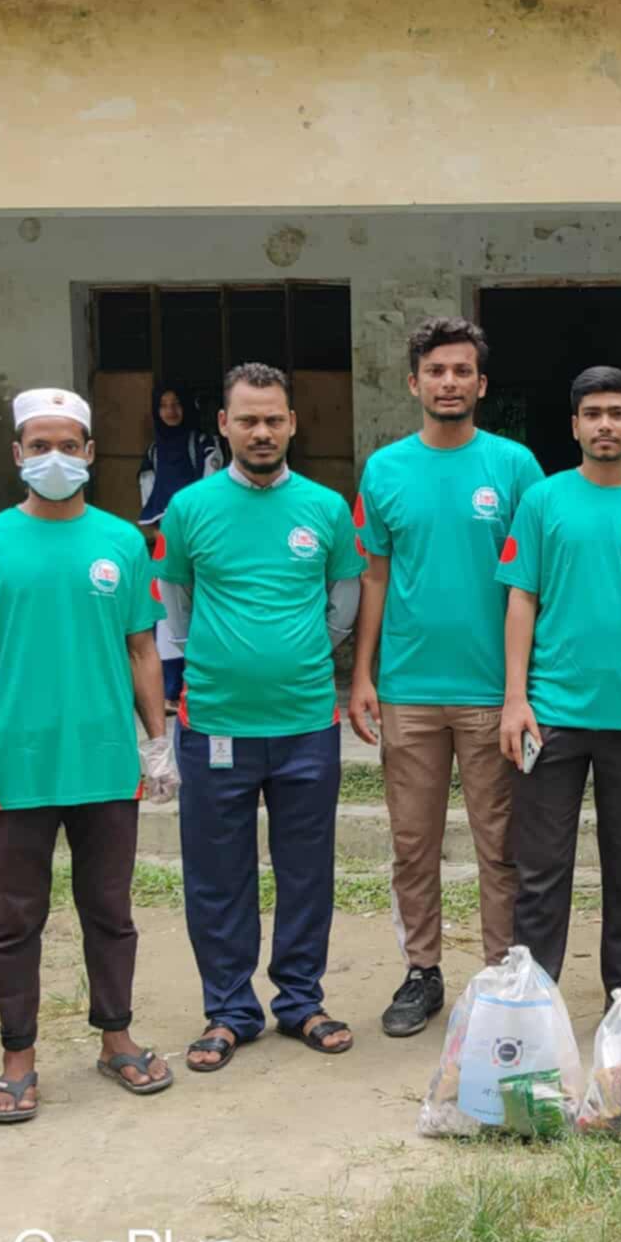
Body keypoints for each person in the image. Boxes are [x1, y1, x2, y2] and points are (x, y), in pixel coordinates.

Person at [0, 389, 178, 1123]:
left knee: (110, 911)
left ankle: (117, 1039)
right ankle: (18, 1061)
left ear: (92, 453)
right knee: (15, 917)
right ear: (16, 455)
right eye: (39, 445)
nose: (55, 458)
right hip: (16, 766)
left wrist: (156, 741)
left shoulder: (122, 543)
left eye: (69, 445)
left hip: (104, 763)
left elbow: (142, 647)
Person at [157, 363, 365, 1072]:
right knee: (218, 873)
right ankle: (229, 1010)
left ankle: (300, 1000)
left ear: (293, 424)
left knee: (306, 869)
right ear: (223, 424)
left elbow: (342, 604)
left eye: (274, 418)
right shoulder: (188, 509)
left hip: (307, 719)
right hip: (215, 721)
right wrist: (220, 664)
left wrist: (294, 651)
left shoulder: (326, 509)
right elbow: (175, 611)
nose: (262, 431)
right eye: (247, 419)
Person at [349, 317, 542, 1038]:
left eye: (462, 371)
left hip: (494, 692)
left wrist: (526, 689)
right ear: (414, 383)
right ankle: (421, 971)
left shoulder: (516, 468)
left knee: (501, 843)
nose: (450, 382)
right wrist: (362, 674)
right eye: (437, 371)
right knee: (411, 841)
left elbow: (530, 583)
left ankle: (501, 975)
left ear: (481, 384)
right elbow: (374, 573)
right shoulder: (385, 470)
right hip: (408, 689)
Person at [496, 366, 621, 998]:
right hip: (551, 714)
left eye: (617, 413)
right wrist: (515, 699)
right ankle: (536, 995)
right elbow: (521, 599)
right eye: (592, 414)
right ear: (575, 425)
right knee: (542, 868)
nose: (605, 424)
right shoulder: (544, 501)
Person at [137, 386, 222, 715]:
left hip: (201, 541)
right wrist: (158, 529)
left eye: (176, 404)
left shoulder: (203, 443)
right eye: (163, 405)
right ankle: (171, 691)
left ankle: (200, 686)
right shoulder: (155, 450)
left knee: (201, 611)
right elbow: (148, 487)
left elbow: (212, 488)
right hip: (165, 541)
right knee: (166, 614)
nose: (170, 411)